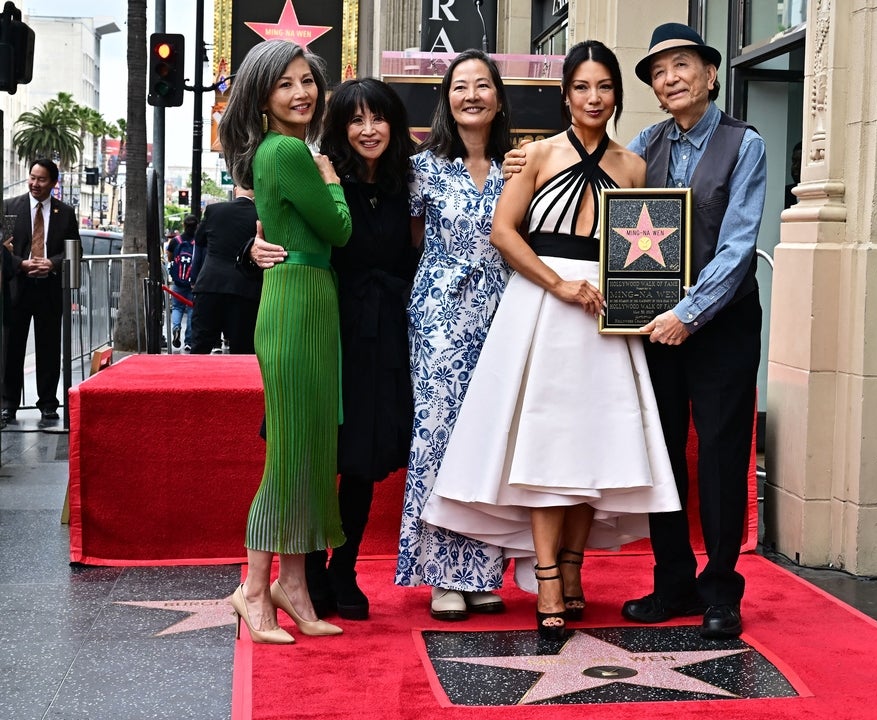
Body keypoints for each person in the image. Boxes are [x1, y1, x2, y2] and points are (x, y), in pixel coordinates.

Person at [502, 24, 766, 640]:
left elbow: (737, 246)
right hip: (653, 320)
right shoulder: (648, 144)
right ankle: (672, 581)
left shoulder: (743, 143)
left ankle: (721, 590)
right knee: (663, 452)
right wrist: (524, 157)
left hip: (717, 323)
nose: (670, 79)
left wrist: (688, 313)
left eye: (682, 66)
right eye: (659, 72)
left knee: (723, 457)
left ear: (709, 73)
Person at [421, 40, 681, 640]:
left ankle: (572, 571)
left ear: (618, 95)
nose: (594, 98)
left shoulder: (634, 167)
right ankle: (544, 581)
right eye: (583, 87)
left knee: (592, 448)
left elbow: (642, 257)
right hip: (543, 307)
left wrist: (639, 300)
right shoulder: (533, 156)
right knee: (545, 449)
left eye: (605, 87)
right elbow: (503, 234)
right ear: (565, 94)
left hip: (607, 320)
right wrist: (559, 285)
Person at [251, 78, 419, 620]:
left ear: (394, 125)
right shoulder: (322, 174)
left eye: (379, 118)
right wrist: (250, 249)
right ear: (340, 127)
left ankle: (343, 569)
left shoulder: (409, 183)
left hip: (385, 332)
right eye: (355, 119)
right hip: (326, 326)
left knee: (365, 460)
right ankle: (307, 573)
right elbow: (274, 224)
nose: (368, 130)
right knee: (318, 448)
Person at [218, 39, 351, 644]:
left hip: (309, 296)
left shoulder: (283, 150)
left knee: (310, 451)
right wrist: (333, 181)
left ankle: (292, 586)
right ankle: (253, 590)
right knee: (291, 452)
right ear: (262, 96)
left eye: (308, 81)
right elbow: (338, 230)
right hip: (298, 298)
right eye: (285, 84)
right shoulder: (289, 153)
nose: (303, 93)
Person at [395, 49, 512, 621]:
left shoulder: (520, 165)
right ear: (446, 99)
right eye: (460, 86)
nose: (472, 95)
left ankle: (484, 571)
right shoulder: (424, 167)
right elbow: (410, 239)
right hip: (441, 312)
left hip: (503, 309)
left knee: (490, 439)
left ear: (497, 97)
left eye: (482, 85)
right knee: (439, 434)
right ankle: (441, 574)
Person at [2, 158, 80, 425]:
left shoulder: (66, 213)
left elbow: (74, 249)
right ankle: (8, 403)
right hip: (17, 288)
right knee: (12, 348)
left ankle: (48, 403)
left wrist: (52, 263)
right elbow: (2, 248)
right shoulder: (11, 207)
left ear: (54, 183)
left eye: (41, 179)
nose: (35, 183)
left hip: (49, 288)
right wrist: (21, 264)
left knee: (48, 348)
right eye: (32, 177)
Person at [189, 187, 261, 355]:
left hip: (211, 283)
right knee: (242, 348)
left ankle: (192, 380)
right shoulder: (260, 214)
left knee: (201, 343)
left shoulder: (215, 210)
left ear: (236, 190)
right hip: (246, 287)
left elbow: (199, 239)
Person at [166, 214, 198, 350]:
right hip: (193, 282)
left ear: (184, 225)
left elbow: (169, 258)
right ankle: (188, 342)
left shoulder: (175, 241)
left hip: (178, 282)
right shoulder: (198, 242)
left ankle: (176, 327)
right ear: (197, 226)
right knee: (192, 309)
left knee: (177, 307)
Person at [784, 141, 802, 209]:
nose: (796, 166)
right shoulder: (785, 194)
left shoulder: (817, 194)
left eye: (800, 162)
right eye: (794, 161)